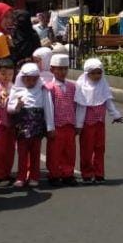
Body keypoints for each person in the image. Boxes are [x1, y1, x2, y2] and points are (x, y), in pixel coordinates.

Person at [74, 58, 123, 183]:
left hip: (100, 123)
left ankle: (99, 173)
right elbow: (81, 107)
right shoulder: (82, 86)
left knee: (100, 148)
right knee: (86, 149)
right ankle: (87, 173)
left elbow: (108, 101)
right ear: (87, 73)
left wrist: (116, 115)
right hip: (87, 124)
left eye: (99, 72)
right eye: (93, 73)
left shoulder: (103, 85)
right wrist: (79, 125)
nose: (96, 76)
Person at [7, 62, 52, 188]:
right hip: (22, 130)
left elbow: (48, 109)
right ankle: (21, 177)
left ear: (38, 78)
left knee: (35, 154)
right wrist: (17, 106)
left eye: (34, 79)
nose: (31, 81)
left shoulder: (43, 90)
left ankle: (34, 177)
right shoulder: (16, 90)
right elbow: (9, 108)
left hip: (37, 129)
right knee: (22, 154)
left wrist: (50, 127)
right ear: (22, 78)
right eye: (27, 79)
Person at [45, 53, 79, 186]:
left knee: (69, 150)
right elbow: (48, 108)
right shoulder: (49, 87)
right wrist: (50, 127)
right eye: (59, 69)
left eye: (65, 69)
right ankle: (54, 174)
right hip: (56, 125)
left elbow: (76, 106)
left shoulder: (72, 86)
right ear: (52, 70)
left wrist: (77, 123)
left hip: (69, 124)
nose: (62, 72)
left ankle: (68, 173)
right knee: (54, 151)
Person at [0, 58, 17, 187]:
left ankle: (6, 171)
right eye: (4, 74)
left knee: (9, 149)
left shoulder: (14, 87)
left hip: (10, 123)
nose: (7, 77)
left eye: (10, 74)